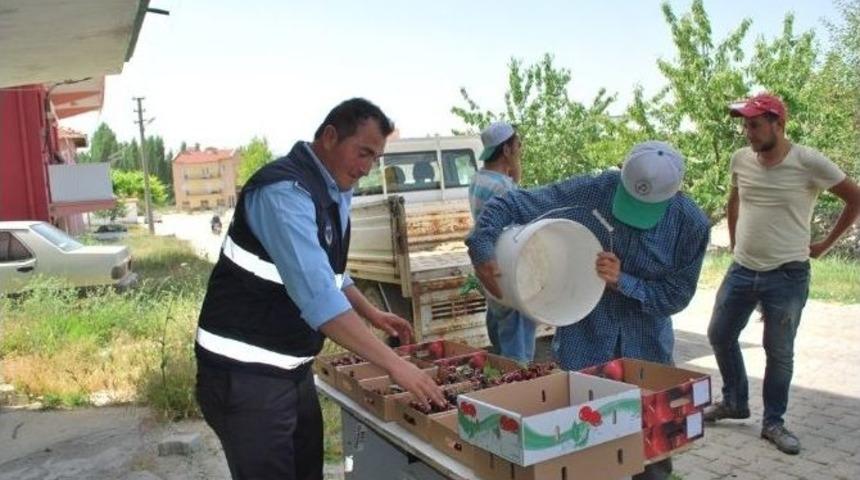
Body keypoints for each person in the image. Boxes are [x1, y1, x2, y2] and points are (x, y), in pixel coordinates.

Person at [194, 98, 445, 480]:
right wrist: (396, 366)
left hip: (290, 370)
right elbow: (319, 300)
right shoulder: (284, 193)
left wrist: (371, 312)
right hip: (244, 377)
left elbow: (328, 272)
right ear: (330, 136)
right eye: (362, 152)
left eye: (374, 159)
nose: (365, 168)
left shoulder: (332, 189)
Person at [467, 141, 710, 480]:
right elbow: (512, 202)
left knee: (650, 455)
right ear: (622, 177)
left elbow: (676, 296)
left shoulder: (691, 225)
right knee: (583, 450)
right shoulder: (593, 190)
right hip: (586, 345)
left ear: (675, 194)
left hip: (646, 352)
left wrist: (623, 281)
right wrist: (482, 246)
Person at [705, 93, 860, 455]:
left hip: (787, 275)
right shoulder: (740, 159)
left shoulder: (808, 162)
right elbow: (735, 198)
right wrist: (733, 240)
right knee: (719, 334)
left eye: (755, 124)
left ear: (778, 124)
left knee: (779, 352)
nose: (748, 132)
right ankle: (735, 401)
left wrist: (824, 245)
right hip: (742, 268)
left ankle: (773, 422)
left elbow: (855, 198)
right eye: (745, 124)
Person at [467, 121, 536, 363]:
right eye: (517, 145)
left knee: (501, 334)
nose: (520, 149)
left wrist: (514, 172)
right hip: (509, 270)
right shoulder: (504, 187)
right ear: (506, 150)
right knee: (518, 353)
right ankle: (517, 393)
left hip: (490, 266)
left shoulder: (479, 179)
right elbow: (521, 223)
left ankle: (501, 384)